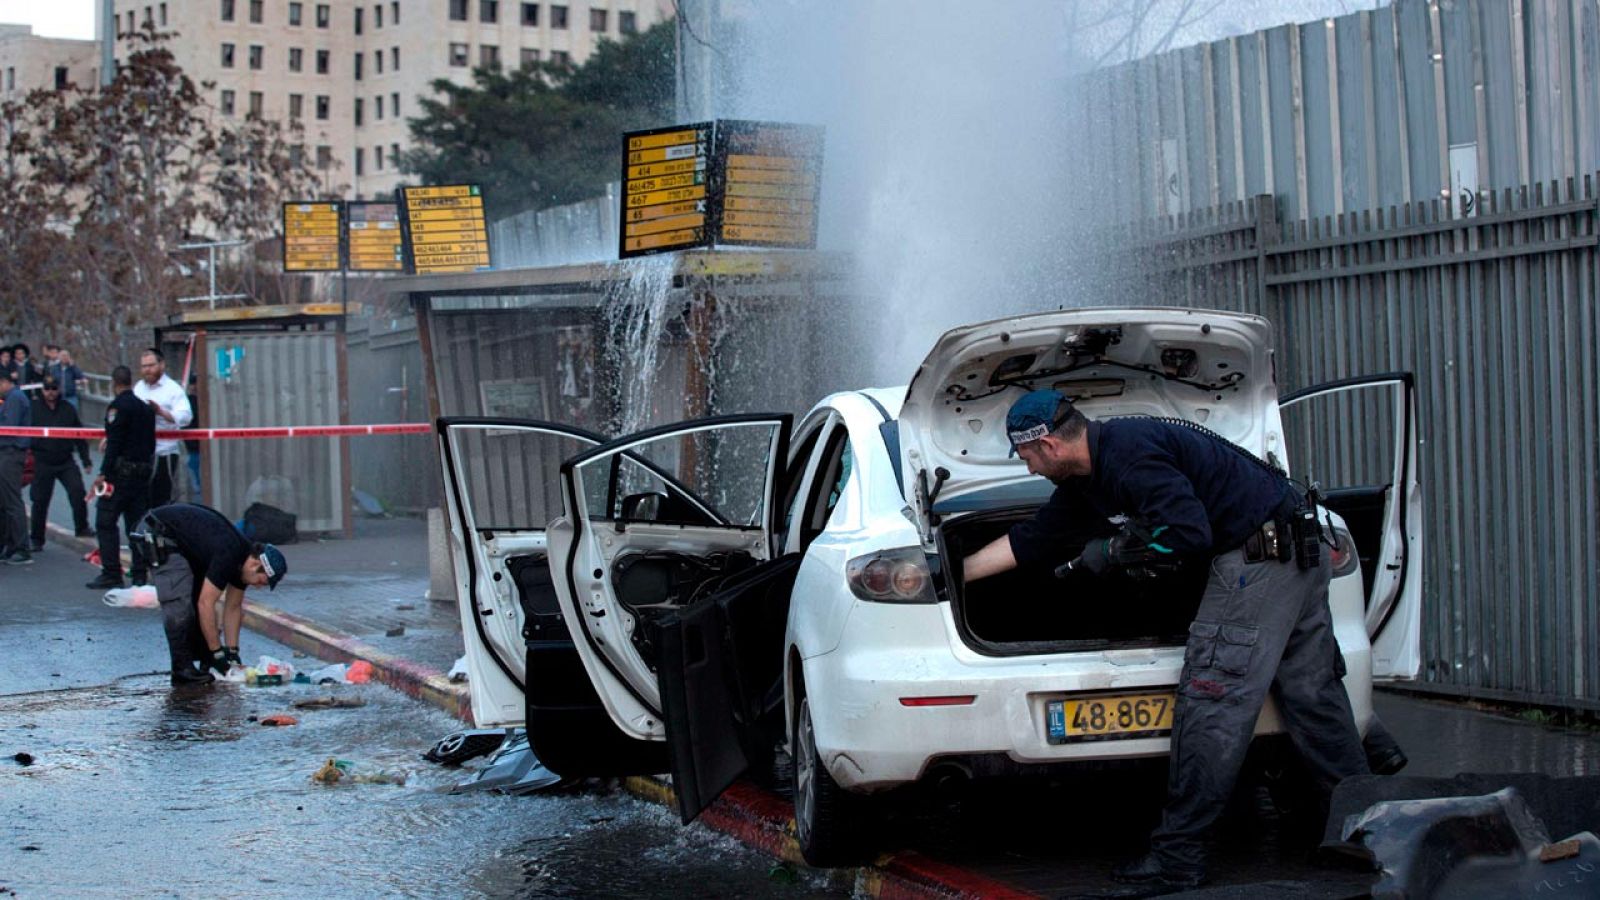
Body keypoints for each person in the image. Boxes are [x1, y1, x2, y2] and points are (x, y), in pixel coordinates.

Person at [962, 390, 1370, 890]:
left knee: (1211, 705)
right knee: (1314, 699)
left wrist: (1112, 551)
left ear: (1047, 444)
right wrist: (955, 575)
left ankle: (1179, 857)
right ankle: (1365, 834)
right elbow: (1035, 538)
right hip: (1296, 552)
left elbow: (1188, 534)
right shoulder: (1091, 477)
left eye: (1026, 456)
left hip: (1257, 565)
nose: (1027, 469)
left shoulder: (1130, 456)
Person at [130, 503, 286, 686]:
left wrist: (232, 654)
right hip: (157, 532)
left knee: (196, 594)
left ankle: (204, 657)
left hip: (182, 540)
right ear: (254, 564)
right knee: (179, 601)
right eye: (262, 581)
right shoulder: (229, 554)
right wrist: (218, 653)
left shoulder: (243, 560)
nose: (259, 586)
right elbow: (206, 604)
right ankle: (182, 670)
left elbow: (233, 607)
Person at [88, 365, 156, 589]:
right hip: (142, 474)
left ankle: (111, 573)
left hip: (120, 476)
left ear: (114, 383)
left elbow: (114, 444)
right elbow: (150, 443)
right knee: (136, 526)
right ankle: (139, 574)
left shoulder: (118, 407)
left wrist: (102, 474)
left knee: (105, 521)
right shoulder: (145, 409)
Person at [28, 376, 95, 550]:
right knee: (40, 501)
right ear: (43, 390)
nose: (50, 393)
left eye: (53, 389)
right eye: (47, 389)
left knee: (77, 492)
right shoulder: (34, 409)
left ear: (58, 390)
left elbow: (79, 436)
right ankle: (37, 538)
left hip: (65, 460)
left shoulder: (67, 409)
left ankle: (82, 527)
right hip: (42, 461)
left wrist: (85, 459)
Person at [133, 347, 192, 508]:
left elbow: (185, 417)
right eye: (144, 366)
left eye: (151, 365)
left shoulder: (172, 389)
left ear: (162, 365)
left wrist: (160, 412)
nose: (147, 370)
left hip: (164, 453)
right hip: (142, 453)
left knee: (160, 499)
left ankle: (158, 531)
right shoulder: (139, 387)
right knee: (140, 499)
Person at [0, 368, 32, 565]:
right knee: (4, 502)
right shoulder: (12, 398)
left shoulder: (14, 399)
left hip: (11, 453)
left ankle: (21, 547)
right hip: (7, 453)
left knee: (12, 501)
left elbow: (8, 428)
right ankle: (10, 545)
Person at [45, 345, 86, 411]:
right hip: (58, 397)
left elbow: (80, 377)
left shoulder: (72, 368)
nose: (65, 358)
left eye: (66, 356)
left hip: (71, 396)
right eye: (63, 356)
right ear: (59, 357)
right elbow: (50, 380)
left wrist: (73, 366)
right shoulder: (54, 368)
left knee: (72, 414)